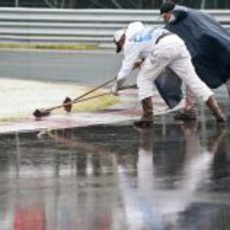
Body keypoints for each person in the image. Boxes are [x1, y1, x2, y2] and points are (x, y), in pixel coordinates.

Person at [111, 22, 226, 127]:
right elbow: (148, 49)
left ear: (121, 41)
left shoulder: (130, 42)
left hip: (163, 47)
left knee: (143, 79)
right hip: (176, 42)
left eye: (120, 46)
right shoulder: (143, 31)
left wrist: (116, 87)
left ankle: (147, 116)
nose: (122, 48)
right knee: (194, 80)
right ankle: (218, 113)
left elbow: (124, 71)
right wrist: (140, 62)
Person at [159, 1, 230, 120]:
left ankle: (190, 108)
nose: (164, 20)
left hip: (214, 49)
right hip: (212, 49)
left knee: (224, 77)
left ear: (169, 13)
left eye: (164, 16)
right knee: (191, 76)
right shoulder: (195, 15)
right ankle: (189, 108)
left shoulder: (185, 20)